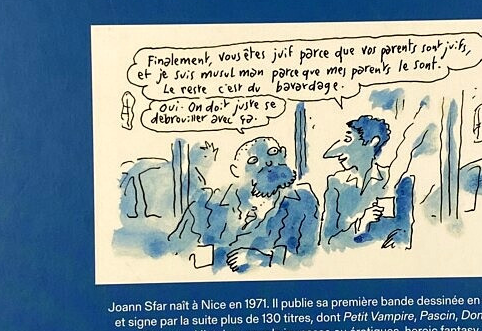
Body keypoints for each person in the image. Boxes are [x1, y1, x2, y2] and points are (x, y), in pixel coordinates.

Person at [171, 136, 318, 271]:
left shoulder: (302, 202)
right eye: (253, 160)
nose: (267, 162)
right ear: (237, 171)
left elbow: (308, 260)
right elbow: (178, 252)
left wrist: (260, 258)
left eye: (273, 152)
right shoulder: (209, 206)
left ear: (283, 154)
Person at [321, 115, 413, 250]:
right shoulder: (336, 183)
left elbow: (405, 234)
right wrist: (361, 220)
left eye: (348, 140)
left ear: (373, 142)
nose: (336, 152)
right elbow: (327, 240)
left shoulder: (393, 181)